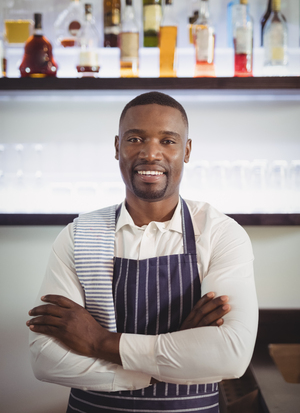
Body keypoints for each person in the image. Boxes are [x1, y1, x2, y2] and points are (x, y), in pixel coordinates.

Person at [26, 91, 258, 413]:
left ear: (187, 151)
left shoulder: (220, 234)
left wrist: (98, 342)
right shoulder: (79, 234)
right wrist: (177, 358)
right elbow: (45, 359)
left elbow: (231, 356)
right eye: (135, 139)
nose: (151, 153)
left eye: (168, 141)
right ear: (117, 147)